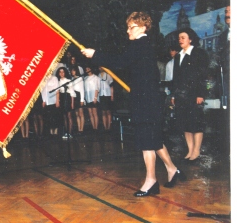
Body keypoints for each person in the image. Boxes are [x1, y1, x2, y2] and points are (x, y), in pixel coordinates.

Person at [81, 11, 184, 197]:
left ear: (143, 28)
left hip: (146, 100)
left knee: (147, 141)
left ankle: (151, 181)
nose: (128, 31)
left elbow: (119, 62)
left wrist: (95, 54)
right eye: (127, 27)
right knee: (154, 138)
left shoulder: (139, 45)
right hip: (148, 98)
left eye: (132, 27)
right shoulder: (142, 45)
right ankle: (172, 169)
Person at [171, 27, 209, 162]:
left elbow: (203, 76)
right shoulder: (178, 56)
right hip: (181, 96)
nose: (180, 40)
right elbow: (175, 78)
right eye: (179, 38)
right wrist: (173, 95)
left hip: (194, 95)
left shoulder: (198, 53)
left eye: (183, 37)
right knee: (184, 123)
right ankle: (190, 150)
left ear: (190, 39)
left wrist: (200, 94)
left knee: (196, 123)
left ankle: (196, 150)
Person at [55, 67, 75, 139]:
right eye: (60, 72)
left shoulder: (68, 81)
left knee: (69, 116)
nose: (61, 73)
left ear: (65, 72)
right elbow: (58, 92)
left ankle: (70, 132)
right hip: (62, 98)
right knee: (64, 116)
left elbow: (72, 93)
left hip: (68, 97)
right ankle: (66, 132)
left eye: (63, 72)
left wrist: (72, 103)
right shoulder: (58, 82)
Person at [84, 65, 100, 131]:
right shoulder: (85, 78)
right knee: (90, 113)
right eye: (86, 69)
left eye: (88, 68)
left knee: (94, 113)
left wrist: (95, 97)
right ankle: (93, 128)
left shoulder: (96, 77)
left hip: (94, 97)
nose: (87, 69)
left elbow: (97, 88)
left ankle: (96, 127)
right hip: (88, 97)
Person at [70, 66, 85, 134]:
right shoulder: (72, 79)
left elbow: (82, 89)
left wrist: (82, 100)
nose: (72, 72)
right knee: (77, 114)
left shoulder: (80, 79)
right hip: (75, 96)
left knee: (81, 113)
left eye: (74, 70)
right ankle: (79, 128)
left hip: (79, 96)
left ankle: (82, 129)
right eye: (71, 71)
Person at [98, 67, 114, 131]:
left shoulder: (108, 75)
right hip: (101, 95)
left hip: (108, 95)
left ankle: (109, 127)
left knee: (108, 111)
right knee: (103, 112)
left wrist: (112, 95)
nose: (100, 68)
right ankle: (105, 127)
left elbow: (111, 86)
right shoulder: (98, 76)